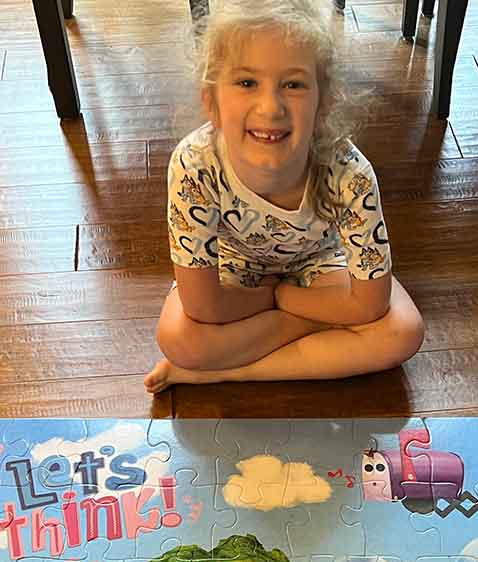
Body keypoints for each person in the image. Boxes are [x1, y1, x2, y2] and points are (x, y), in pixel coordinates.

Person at [144, 0, 425, 394]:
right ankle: (240, 354)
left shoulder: (350, 174)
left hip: (321, 265)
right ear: (211, 101)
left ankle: (224, 371)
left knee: (404, 331)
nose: (270, 107)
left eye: (293, 84)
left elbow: (370, 305)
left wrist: (283, 298)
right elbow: (203, 306)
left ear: (322, 103)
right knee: (178, 339)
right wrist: (282, 305)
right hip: (237, 274)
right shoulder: (194, 166)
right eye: (246, 83)